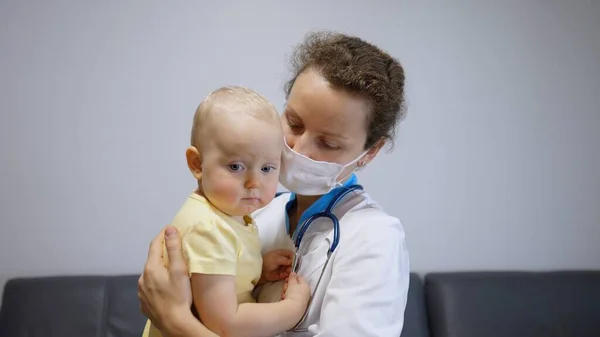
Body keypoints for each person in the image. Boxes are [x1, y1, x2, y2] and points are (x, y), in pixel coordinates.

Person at [138, 31, 410, 337]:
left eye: (328, 143)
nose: (298, 147)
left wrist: (175, 322)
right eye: (293, 123)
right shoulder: (253, 212)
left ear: (370, 152)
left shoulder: (375, 238)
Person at [142, 86, 311, 337]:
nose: (254, 182)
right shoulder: (209, 229)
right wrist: (292, 309)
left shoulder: (225, 216)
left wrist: (257, 272)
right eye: (236, 166)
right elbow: (225, 322)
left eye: (267, 168)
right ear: (197, 164)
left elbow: (211, 285)